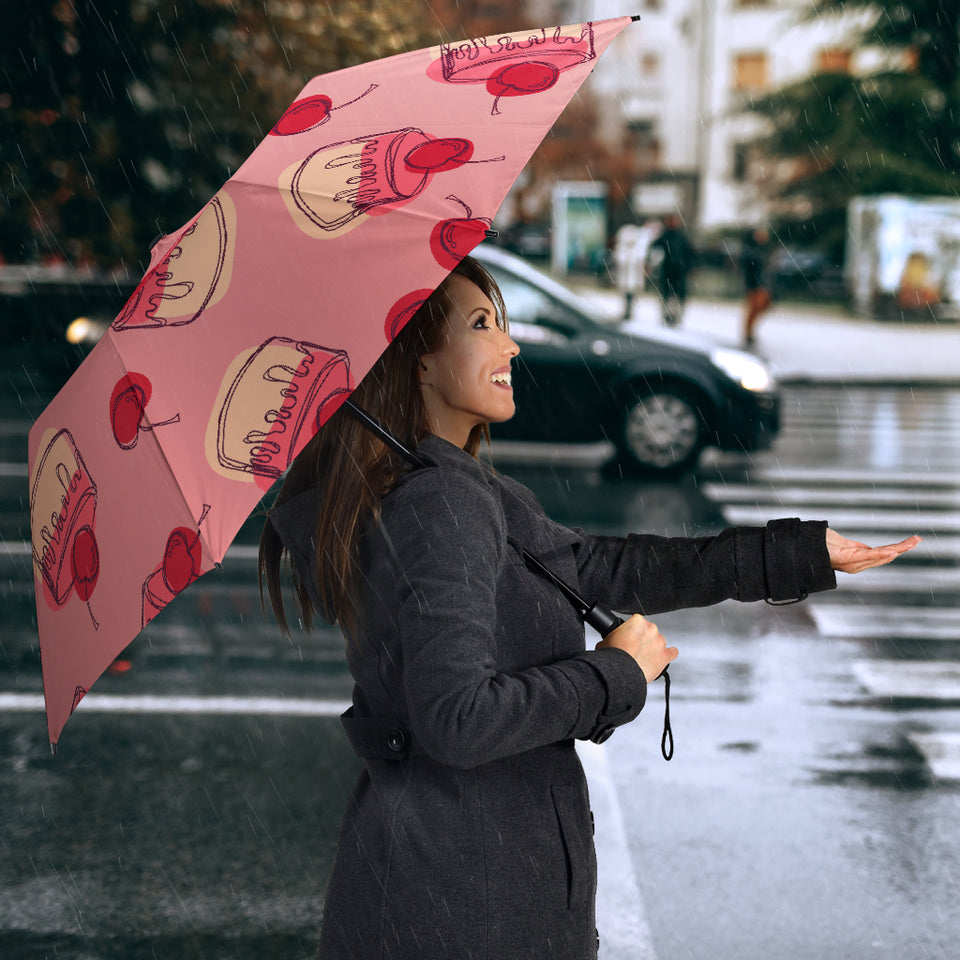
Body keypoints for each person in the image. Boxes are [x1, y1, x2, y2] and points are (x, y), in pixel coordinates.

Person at [258, 255, 919, 960]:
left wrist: (796, 554)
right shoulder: (440, 504)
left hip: (452, 884)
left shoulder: (448, 488)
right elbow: (456, 719)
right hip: (467, 902)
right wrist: (614, 674)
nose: (510, 345)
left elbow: (603, 567)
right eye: (482, 325)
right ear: (417, 361)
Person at [648, 213, 695, 327]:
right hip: (668, 270)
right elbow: (654, 249)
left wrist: (690, 267)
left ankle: (675, 316)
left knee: (677, 295)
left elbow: (690, 253)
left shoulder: (681, 237)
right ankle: (667, 315)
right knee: (667, 294)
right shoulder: (665, 236)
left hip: (679, 271)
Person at [741, 226, 772, 347]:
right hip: (754, 284)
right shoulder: (750, 250)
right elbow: (750, 265)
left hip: (763, 283)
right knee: (754, 308)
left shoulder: (763, 249)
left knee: (762, 306)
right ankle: (748, 333)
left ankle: (750, 331)